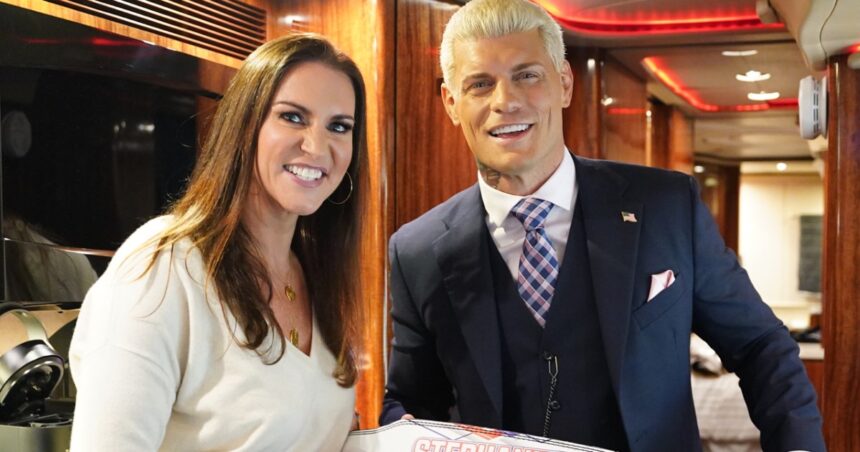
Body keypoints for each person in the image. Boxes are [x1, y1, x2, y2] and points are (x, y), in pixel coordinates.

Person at [380, 1, 825, 451]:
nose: (505, 101)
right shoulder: (417, 252)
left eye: (527, 75)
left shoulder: (666, 206)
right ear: (451, 103)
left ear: (564, 84)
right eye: (480, 84)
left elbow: (760, 346)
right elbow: (412, 399)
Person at [69, 33, 367, 451]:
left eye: (339, 126)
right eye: (292, 117)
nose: (318, 147)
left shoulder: (315, 272)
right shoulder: (163, 265)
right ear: (245, 124)